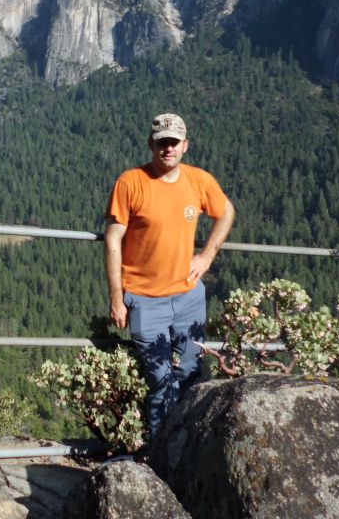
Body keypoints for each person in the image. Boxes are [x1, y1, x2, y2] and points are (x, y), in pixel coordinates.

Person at [104, 112, 235, 435]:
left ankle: (188, 446)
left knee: (192, 373)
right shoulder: (131, 182)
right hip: (144, 300)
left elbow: (227, 211)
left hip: (189, 296)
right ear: (152, 144)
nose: (168, 149)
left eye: (174, 142)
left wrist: (206, 256)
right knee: (160, 380)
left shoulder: (199, 181)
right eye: (162, 142)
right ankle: (161, 452)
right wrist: (117, 298)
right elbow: (112, 239)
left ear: (185, 146)